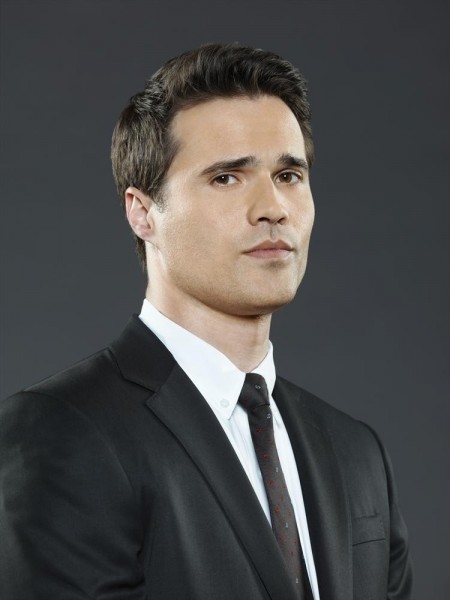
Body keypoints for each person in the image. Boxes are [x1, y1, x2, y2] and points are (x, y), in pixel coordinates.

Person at [0, 43, 413, 600]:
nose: (273, 207)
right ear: (142, 212)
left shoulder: (356, 452)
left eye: (289, 174)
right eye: (226, 178)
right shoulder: (61, 433)